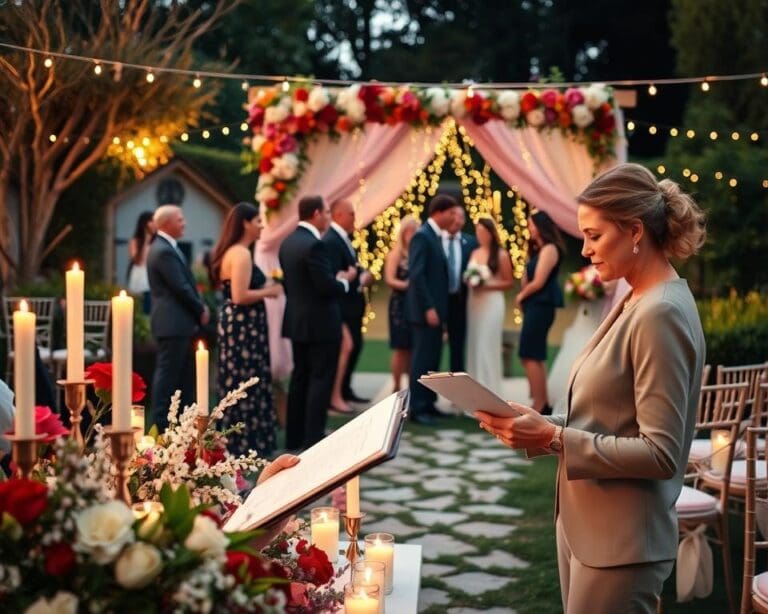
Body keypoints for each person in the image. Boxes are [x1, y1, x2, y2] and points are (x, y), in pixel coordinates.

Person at [476, 162, 706, 613]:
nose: (584, 250)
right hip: (588, 529)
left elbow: (661, 453)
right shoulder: (636, 296)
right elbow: (609, 413)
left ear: (635, 230)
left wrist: (553, 438)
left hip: (621, 545)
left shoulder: (660, 311)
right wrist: (543, 423)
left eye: (594, 236)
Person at [279, 195, 356, 451]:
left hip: (297, 321)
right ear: (315, 214)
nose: (328, 217)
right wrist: (347, 280)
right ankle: (313, 438)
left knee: (300, 379)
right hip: (321, 323)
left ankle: (294, 436)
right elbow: (326, 287)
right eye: (325, 212)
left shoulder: (288, 242)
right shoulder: (315, 245)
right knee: (320, 379)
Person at [209, 203, 283, 457]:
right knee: (244, 382)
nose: (262, 226)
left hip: (242, 327)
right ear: (245, 223)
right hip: (243, 330)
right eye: (258, 221)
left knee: (241, 380)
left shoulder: (235, 251)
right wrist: (270, 291)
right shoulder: (240, 254)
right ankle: (244, 443)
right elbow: (239, 296)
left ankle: (243, 441)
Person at [146, 205, 209, 431]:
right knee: (168, 377)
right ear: (166, 223)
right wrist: (200, 308)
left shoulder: (164, 247)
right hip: (172, 323)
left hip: (177, 323)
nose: (184, 223)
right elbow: (180, 287)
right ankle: (161, 424)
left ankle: (182, 424)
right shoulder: (163, 250)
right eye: (180, 219)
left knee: (181, 378)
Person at [406, 194, 462, 425]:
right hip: (424, 312)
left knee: (432, 359)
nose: (453, 218)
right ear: (438, 212)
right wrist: (429, 307)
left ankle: (428, 403)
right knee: (422, 360)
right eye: (451, 213)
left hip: (437, 312)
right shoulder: (422, 236)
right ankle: (417, 408)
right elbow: (417, 276)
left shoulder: (435, 236)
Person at [323, 200, 374, 413]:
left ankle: (344, 389)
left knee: (354, 349)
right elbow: (337, 274)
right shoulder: (331, 241)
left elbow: (352, 266)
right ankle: (335, 395)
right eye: (351, 213)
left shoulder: (344, 238)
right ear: (339, 215)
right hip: (342, 308)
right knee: (345, 349)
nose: (355, 217)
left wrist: (362, 274)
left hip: (353, 306)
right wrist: (356, 279)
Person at [516, 210, 566, 415]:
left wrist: (520, 296)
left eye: (531, 225)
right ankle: (541, 400)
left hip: (541, 306)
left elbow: (539, 282)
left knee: (530, 353)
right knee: (531, 354)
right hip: (535, 306)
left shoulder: (550, 249)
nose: (529, 228)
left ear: (541, 226)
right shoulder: (539, 250)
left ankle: (540, 403)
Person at [465, 217, 514, 393]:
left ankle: (490, 390)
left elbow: (509, 282)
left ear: (491, 233)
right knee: (475, 345)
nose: (480, 235)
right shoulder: (474, 253)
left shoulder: (501, 255)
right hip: (474, 304)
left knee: (487, 345)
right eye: (478, 231)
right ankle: (473, 390)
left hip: (492, 304)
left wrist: (486, 285)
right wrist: (469, 280)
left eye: (483, 232)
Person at [384, 215, 419, 392]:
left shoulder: (419, 252)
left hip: (415, 304)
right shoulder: (396, 254)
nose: (411, 235)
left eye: (414, 231)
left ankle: (412, 385)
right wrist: (407, 285)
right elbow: (389, 279)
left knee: (414, 347)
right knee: (401, 347)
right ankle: (396, 386)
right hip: (400, 304)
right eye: (408, 231)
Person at [444, 207, 478, 373]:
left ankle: (456, 390)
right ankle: (428, 392)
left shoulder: (471, 243)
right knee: (432, 349)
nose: (456, 220)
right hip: (439, 302)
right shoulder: (434, 240)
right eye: (453, 215)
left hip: (460, 302)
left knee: (458, 348)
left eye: (460, 217)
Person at [127, 210, 156, 315]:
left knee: (149, 309)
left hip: (151, 278)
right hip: (139, 277)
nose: (154, 224)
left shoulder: (157, 242)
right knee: (138, 308)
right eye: (151, 221)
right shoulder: (135, 242)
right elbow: (138, 261)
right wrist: (146, 240)